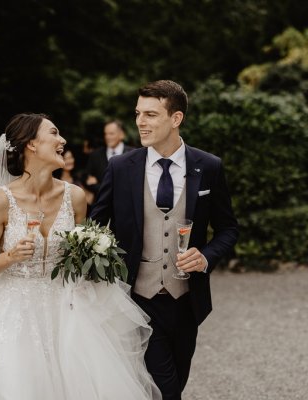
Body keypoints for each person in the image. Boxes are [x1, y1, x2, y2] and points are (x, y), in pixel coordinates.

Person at [0, 113, 161, 400]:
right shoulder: (0, 201)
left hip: (70, 312)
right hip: (17, 318)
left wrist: (97, 256)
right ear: (31, 145)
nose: (63, 141)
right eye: (54, 134)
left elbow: (80, 256)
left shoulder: (76, 197)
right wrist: (10, 256)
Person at [91, 80, 239, 399]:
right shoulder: (120, 168)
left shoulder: (209, 167)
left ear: (176, 119)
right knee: (166, 390)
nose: (140, 122)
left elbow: (228, 229)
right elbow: (94, 226)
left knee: (175, 381)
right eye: (138, 114)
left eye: (151, 114)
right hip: (138, 298)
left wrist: (207, 256)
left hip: (188, 300)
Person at [84, 119, 134, 201]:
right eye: (105, 134)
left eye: (111, 134)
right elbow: (87, 180)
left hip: (127, 205)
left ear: (122, 135)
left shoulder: (133, 154)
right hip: (102, 205)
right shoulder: (95, 155)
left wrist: (101, 186)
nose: (107, 137)